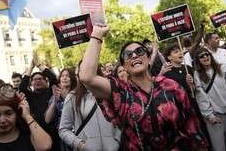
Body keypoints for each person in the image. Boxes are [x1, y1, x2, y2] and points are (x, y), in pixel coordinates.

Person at [79, 24, 208, 150]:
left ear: (148, 57)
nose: (134, 55)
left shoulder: (171, 86)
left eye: (139, 51)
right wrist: (97, 34)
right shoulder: (122, 92)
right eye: (128, 55)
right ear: (123, 66)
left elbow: (192, 127)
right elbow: (86, 77)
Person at [59, 65, 120, 151]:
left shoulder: (110, 92)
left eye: (91, 70)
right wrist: (81, 145)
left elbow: (122, 120)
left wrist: (117, 140)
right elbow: (63, 129)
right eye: (84, 71)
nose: (87, 75)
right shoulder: (73, 97)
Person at [19, 54, 59, 151]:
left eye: (40, 79)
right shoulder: (30, 96)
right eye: (34, 80)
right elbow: (22, 87)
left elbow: (53, 78)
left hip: (55, 134)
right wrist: (31, 67)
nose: (37, 81)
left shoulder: (51, 92)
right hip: (37, 134)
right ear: (31, 83)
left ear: (46, 81)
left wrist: (39, 65)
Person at [194, 47, 226, 151]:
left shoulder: (222, 68)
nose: (205, 57)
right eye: (201, 56)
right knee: (219, 148)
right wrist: (209, 115)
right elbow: (201, 97)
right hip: (215, 117)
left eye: (207, 54)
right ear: (198, 60)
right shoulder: (198, 75)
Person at [0, 85, 52, 151]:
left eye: (8, 113)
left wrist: (27, 116)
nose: (2, 120)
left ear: (17, 113)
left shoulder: (27, 130)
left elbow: (45, 146)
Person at [45, 68, 77, 151]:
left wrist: (65, 97)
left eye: (68, 76)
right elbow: (47, 120)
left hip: (78, 132)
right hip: (64, 136)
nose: (64, 78)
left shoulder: (77, 94)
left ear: (73, 79)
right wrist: (54, 101)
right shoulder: (55, 96)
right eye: (62, 76)